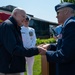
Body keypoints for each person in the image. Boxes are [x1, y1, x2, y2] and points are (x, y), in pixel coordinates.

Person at [0, 7, 40, 75]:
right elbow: (14, 49)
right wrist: (36, 50)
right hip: (9, 69)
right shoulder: (8, 26)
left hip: (13, 68)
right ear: (15, 14)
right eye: (23, 16)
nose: (24, 19)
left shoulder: (14, 26)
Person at [39, 2, 75, 75]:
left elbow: (65, 55)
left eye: (58, 13)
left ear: (66, 12)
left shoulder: (71, 25)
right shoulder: (68, 24)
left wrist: (46, 53)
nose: (56, 16)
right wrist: (50, 46)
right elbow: (65, 45)